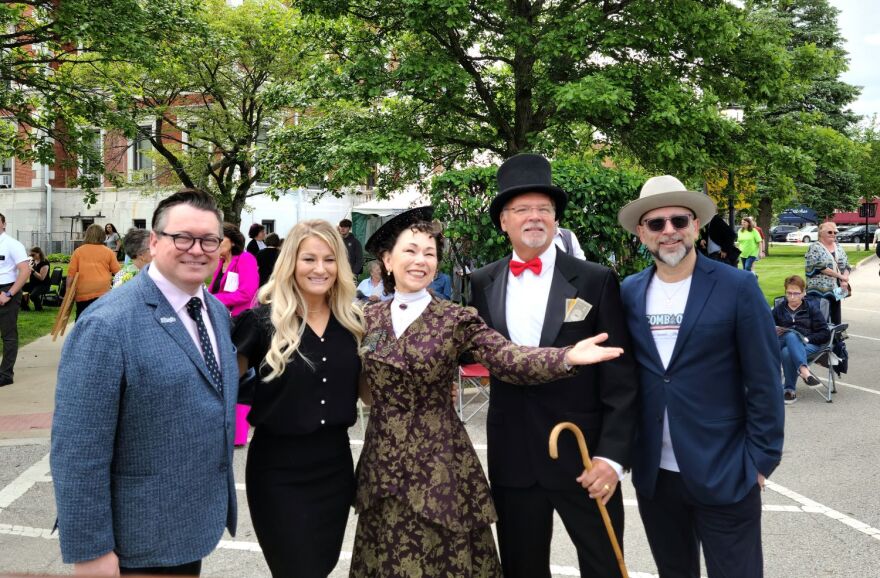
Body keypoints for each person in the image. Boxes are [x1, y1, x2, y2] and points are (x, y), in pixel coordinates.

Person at [350, 206, 625, 578]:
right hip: (383, 463)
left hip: (440, 465)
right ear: (387, 259)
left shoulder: (455, 319)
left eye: (429, 254)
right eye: (410, 251)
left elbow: (507, 356)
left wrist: (565, 356)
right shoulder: (365, 319)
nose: (421, 261)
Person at [51, 188, 239, 576]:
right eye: (182, 237)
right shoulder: (107, 325)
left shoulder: (215, 312)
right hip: (136, 543)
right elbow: (78, 450)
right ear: (153, 242)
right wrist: (90, 552)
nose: (197, 249)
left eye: (209, 240)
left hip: (189, 529)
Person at [469, 153, 638, 578]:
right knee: (522, 569)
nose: (535, 217)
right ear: (503, 221)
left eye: (544, 209)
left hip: (583, 457)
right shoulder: (482, 283)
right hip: (513, 458)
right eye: (522, 209)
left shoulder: (595, 279)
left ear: (556, 220)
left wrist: (612, 459)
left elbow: (621, 379)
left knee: (605, 566)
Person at [617, 175, 784, 578]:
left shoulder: (738, 286)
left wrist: (760, 460)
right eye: (657, 224)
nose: (669, 231)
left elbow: (764, 379)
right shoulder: (627, 292)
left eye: (679, 220)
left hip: (727, 469)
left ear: (696, 225)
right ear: (642, 233)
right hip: (657, 476)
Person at [232, 219, 364, 578]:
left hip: (334, 469)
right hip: (277, 471)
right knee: (295, 568)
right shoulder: (260, 323)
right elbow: (220, 392)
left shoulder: (354, 324)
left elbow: (372, 393)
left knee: (320, 566)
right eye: (309, 259)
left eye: (329, 259)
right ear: (291, 262)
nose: (320, 269)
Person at [772, 275, 828, 405]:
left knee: (787, 352)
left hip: (809, 344)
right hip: (783, 341)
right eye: (789, 293)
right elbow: (767, 328)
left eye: (796, 293)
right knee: (790, 336)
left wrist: (807, 338)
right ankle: (805, 373)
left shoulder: (812, 309)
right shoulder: (779, 310)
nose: (792, 297)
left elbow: (824, 333)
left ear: (803, 293)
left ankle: (789, 390)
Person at [0, 213, 30, 387]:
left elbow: (24, 271)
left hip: (8, 290)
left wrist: (9, 294)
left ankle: (5, 375)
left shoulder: (12, 244)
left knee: (8, 335)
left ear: (4, 224)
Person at [67, 223, 121, 318]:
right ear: (102, 235)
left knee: (82, 319)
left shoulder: (78, 251)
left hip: (83, 292)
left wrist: (68, 291)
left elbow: (70, 275)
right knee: (101, 320)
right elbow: (118, 273)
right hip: (103, 292)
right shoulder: (108, 252)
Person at [209, 222, 259, 316]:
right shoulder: (220, 262)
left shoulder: (246, 258)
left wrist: (211, 299)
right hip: (219, 315)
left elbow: (246, 293)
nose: (216, 243)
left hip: (239, 319)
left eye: (220, 239)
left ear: (233, 242)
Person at [805, 221, 850, 325]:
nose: (833, 234)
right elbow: (821, 266)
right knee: (821, 317)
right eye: (830, 232)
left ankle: (836, 337)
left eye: (835, 232)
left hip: (837, 288)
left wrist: (845, 279)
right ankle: (822, 338)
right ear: (821, 233)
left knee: (836, 314)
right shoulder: (814, 247)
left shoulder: (838, 247)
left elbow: (846, 264)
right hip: (819, 290)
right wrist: (841, 276)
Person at [22, 246, 51, 311]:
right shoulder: (32, 261)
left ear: (39, 253)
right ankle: (25, 307)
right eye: (30, 255)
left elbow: (42, 278)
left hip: (43, 285)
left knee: (33, 295)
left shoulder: (44, 262)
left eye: (33, 255)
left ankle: (39, 309)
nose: (32, 256)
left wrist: (33, 271)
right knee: (17, 289)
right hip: (33, 284)